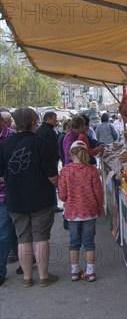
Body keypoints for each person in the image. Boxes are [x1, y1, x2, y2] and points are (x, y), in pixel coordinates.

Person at [0, 107, 60, 287]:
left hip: (15, 198)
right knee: (41, 237)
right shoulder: (41, 143)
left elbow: (2, 175)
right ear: (34, 122)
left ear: (14, 123)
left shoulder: (4, 144)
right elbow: (53, 176)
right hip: (40, 197)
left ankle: (27, 278)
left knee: (22, 238)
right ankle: (43, 276)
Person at [58, 140, 103, 282]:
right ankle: (90, 272)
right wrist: (99, 207)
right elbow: (98, 192)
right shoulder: (92, 170)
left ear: (71, 153)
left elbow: (62, 195)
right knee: (89, 242)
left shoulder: (65, 171)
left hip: (72, 212)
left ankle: (74, 271)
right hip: (89, 211)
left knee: (74, 242)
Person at [0, 109, 18, 286]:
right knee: (10, 231)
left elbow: (18, 166)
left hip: (6, 193)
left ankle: (0, 271)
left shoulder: (12, 138)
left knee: (3, 232)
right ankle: (25, 256)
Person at [36, 111, 61, 213]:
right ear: (50, 119)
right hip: (50, 161)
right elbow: (52, 148)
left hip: (40, 162)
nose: (56, 121)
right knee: (52, 183)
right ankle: (53, 205)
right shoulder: (50, 132)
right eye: (55, 119)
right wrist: (56, 158)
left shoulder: (39, 130)